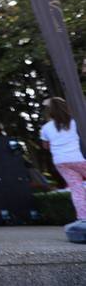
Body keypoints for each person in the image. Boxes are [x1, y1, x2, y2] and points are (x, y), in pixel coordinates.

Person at [40, 97, 86, 228]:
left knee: (77, 189)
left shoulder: (46, 128)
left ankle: (83, 219)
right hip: (79, 158)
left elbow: (46, 146)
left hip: (61, 161)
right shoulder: (75, 122)